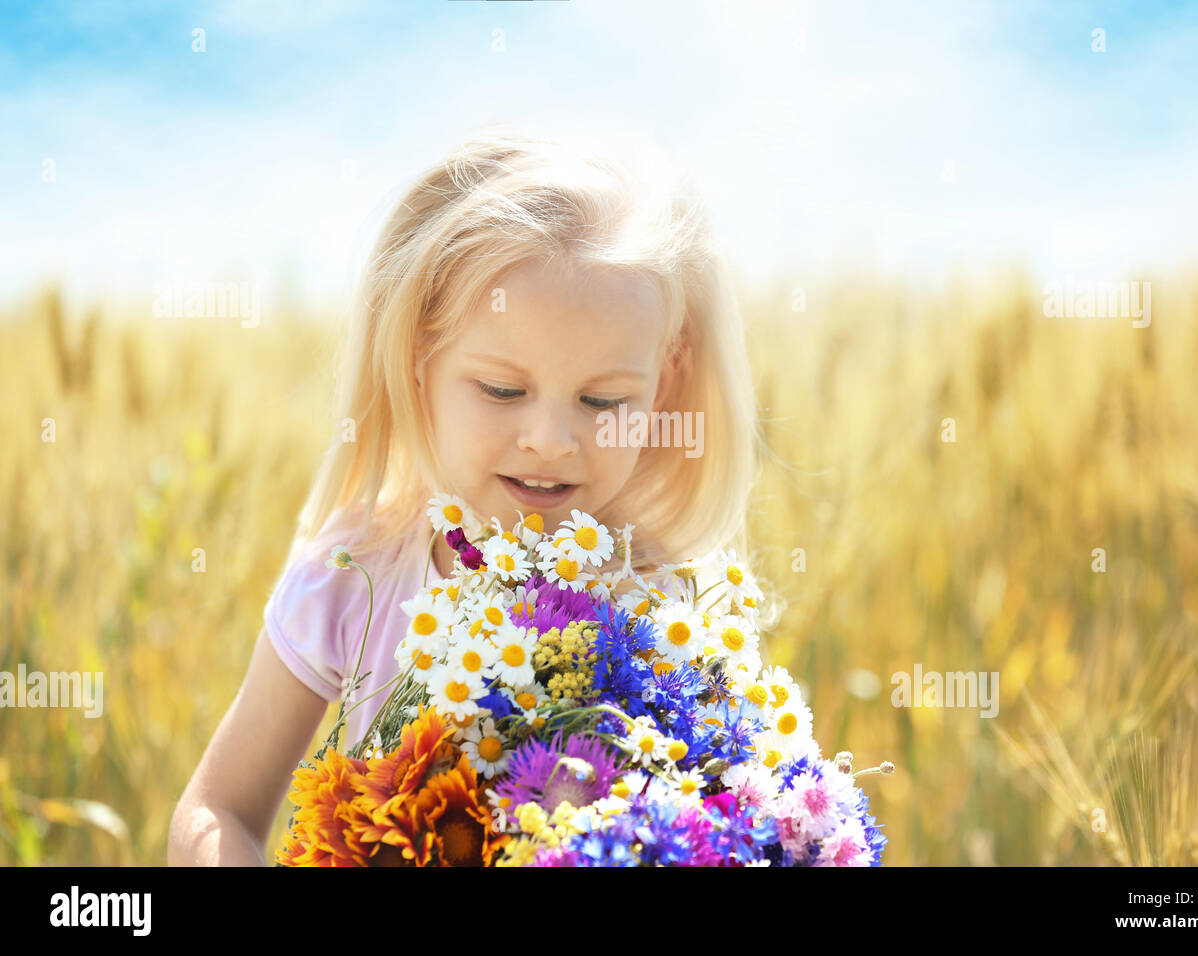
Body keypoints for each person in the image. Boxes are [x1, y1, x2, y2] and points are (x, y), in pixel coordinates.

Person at [168, 123, 780, 865]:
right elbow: (219, 806)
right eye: (501, 389)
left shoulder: (677, 610)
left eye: (602, 400)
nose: (550, 438)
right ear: (418, 356)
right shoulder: (355, 577)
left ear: (668, 380)